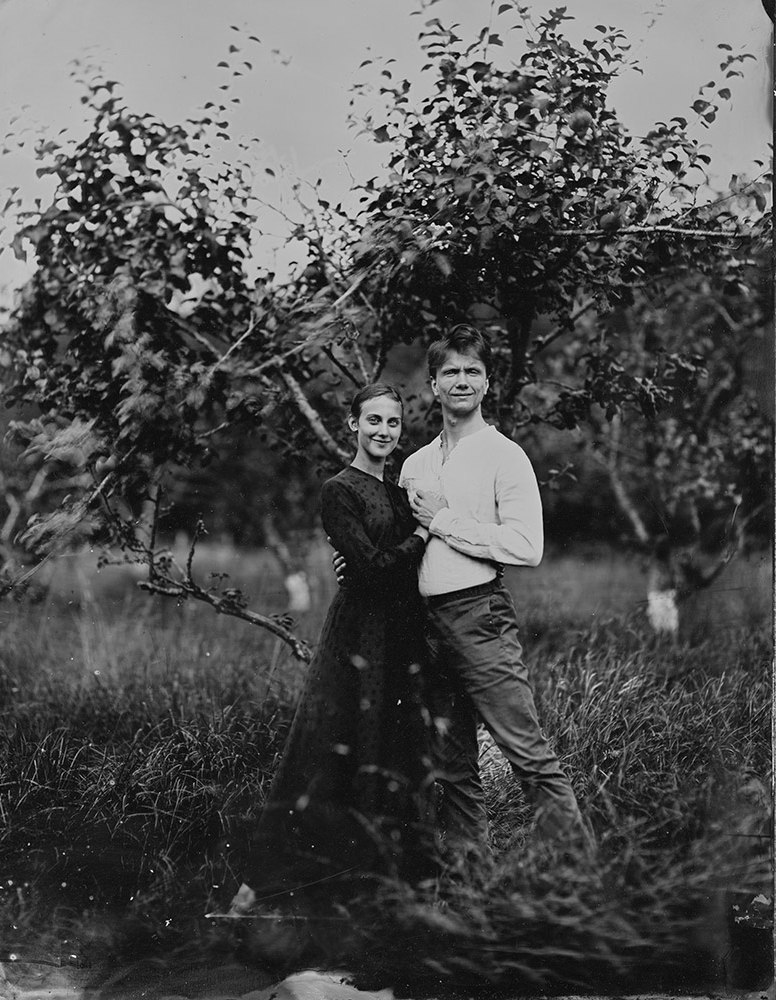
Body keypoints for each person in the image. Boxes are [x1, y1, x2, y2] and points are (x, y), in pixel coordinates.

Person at [339, 326, 591, 858]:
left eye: (471, 371)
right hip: (422, 625)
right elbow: (396, 547)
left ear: (487, 382)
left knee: (527, 754)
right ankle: (470, 894)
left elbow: (527, 547)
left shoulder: (505, 455)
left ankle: (579, 885)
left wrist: (448, 520)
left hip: (480, 617)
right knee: (452, 769)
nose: (461, 381)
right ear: (433, 384)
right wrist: (354, 567)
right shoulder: (414, 465)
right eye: (450, 371)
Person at [229, 382, 436, 925]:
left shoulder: (398, 492)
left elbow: (391, 563)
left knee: (391, 747)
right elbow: (368, 569)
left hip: (400, 632)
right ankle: (258, 887)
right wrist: (421, 535)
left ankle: (381, 887)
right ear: (353, 424)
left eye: (392, 423)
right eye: (373, 421)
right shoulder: (338, 489)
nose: (383, 431)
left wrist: (413, 536)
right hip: (357, 632)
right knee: (327, 743)